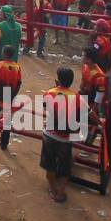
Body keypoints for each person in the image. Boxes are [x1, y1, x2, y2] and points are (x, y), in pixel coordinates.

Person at [41, 67, 77, 203]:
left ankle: (52, 189)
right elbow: (87, 113)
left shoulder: (49, 93)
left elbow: (45, 106)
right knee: (64, 167)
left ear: (58, 80)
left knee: (50, 165)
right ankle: (61, 192)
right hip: (65, 139)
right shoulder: (76, 97)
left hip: (49, 135)